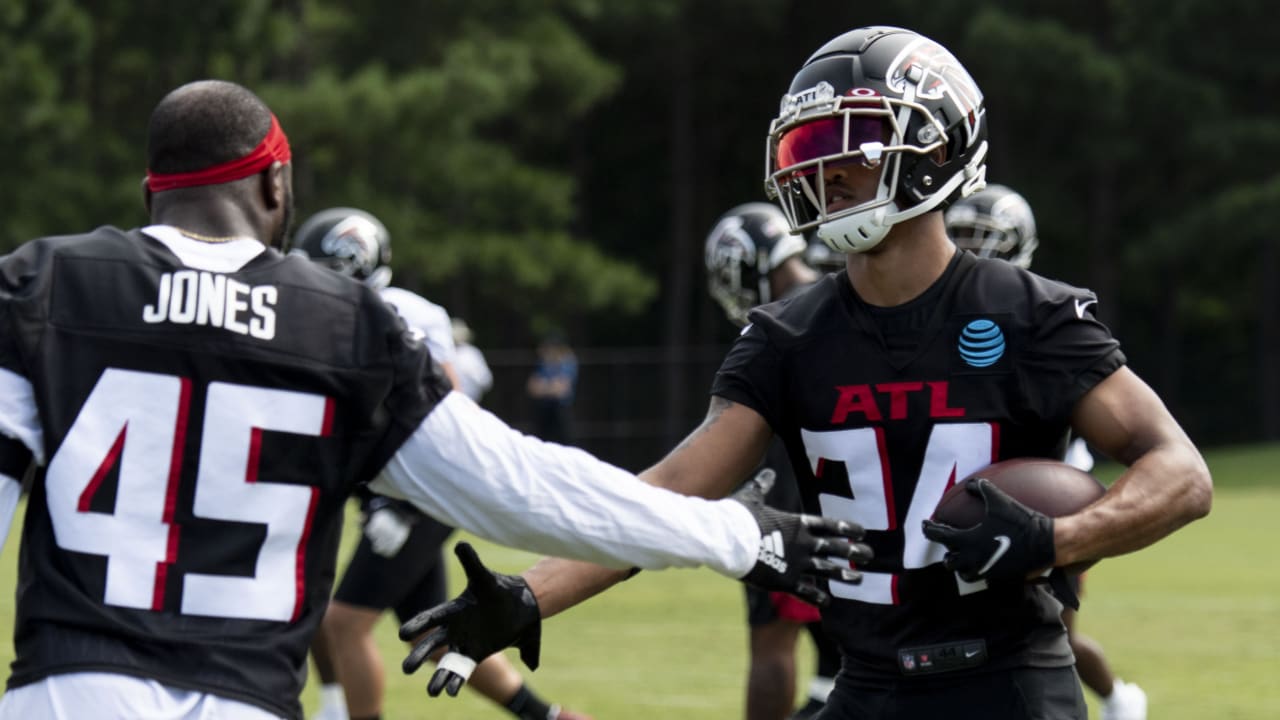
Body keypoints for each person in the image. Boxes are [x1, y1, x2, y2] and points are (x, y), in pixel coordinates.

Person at [400, 26, 1212, 720]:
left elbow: (1180, 474)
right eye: (805, 148)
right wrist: (531, 595)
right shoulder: (788, 335)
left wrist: (1057, 537)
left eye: (844, 146)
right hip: (866, 686)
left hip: (1010, 684)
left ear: (934, 148)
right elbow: (673, 491)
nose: (818, 171)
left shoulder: (1029, 314)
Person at [0, 78, 873, 720]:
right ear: (276, 188)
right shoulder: (342, 323)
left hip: (59, 694)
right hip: (242, 701)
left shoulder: (47, 283)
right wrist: (738, 532)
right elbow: (524, 487)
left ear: (151, 195)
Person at [291, 207, 590, 720]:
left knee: (343, 623)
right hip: (405, 494)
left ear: (349, 262)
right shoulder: (357, 316)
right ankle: (549, 718)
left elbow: (440, 413)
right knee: (433, 629)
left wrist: (400, 505)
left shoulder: (396, 311)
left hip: (417, 496)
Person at [946, 184, 1148, 720]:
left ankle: (1120, 701)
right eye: (961, 238)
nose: (972, 252)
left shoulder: (1038, 318)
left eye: (984, 240)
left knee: (1055, 633)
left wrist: (1059, 532)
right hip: (959, 514)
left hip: (1043, 513)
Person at [705, 202, 840, 720]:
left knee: (771, 644)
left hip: (789, 503)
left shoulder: (778, 322)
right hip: (864, 502)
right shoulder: (845, 296)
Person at [526, 331, 577, 444]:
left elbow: (561, 390)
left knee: (564, 444)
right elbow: (532, 388)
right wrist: (550, 387)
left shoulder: (567, 362)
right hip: (543, 410)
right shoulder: (543, 363)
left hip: (560, 410)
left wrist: (543, 387)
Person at [451, 317, 494, 404]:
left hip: (470, 401)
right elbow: (485, 381)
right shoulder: (443, 354)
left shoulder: (471, 353)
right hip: (453, 403)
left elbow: (485, 380)